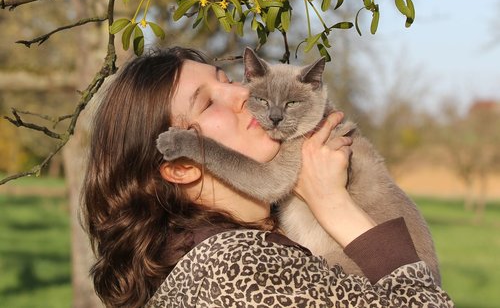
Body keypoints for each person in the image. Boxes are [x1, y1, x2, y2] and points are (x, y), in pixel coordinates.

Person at [81, 47, 454, 308]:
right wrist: (334, 205)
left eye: (227, 79)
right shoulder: (234, 271)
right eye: (208, 102)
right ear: (180, 164)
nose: (241, 94)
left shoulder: (224, 248)